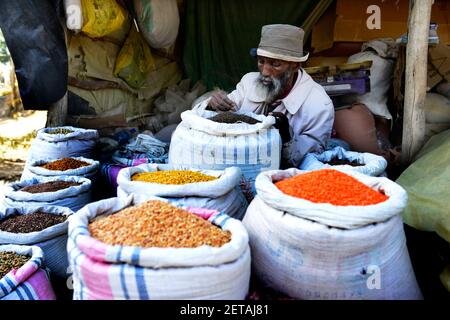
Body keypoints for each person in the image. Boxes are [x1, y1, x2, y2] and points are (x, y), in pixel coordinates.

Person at [194, 24, 334, 168]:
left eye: (275, 64)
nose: (265, 72)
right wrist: (212, 105)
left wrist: (287, 137)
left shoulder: (319, 104)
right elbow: (216, 115)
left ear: (296, 66)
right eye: (261, 61)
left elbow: (311, 157)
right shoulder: (249, 82)